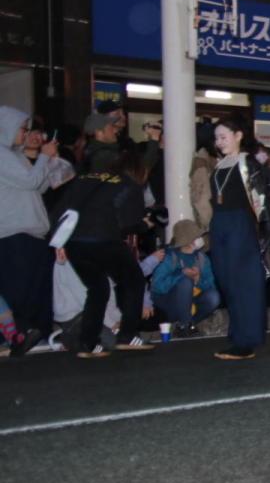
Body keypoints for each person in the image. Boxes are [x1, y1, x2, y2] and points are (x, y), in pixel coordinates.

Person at [51, 152, 157, 357]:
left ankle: (87, 344)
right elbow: (129, 222)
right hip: (104, 240)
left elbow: (59, 210)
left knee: (97, 289)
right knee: (134, 281)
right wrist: (146, 224)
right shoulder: (129, 183)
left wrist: (58, 242)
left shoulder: (85, 178)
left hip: (74, 242)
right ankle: (127, 336)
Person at [207, 115, 270, 360]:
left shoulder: (247, 162)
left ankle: (246, 340)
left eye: (224, 137)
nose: (219, 142)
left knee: (243, 283)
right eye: (217, 138)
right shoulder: (220, 164)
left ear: (238, 135)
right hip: (219, 224)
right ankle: (238, 334)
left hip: (239, 224)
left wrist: (266, 238)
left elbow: (263, 202)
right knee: (227, 281)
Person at [0, 107, 58, 356]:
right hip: (14, 233)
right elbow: (29, 181)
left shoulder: (12, 155)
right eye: (22, 128)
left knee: (33, 292)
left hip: (30, 233)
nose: (24, 134)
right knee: (19, 291)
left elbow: (37, 187)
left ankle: (25, 336)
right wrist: (44, 158)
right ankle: (12, 338)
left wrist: (49, 163)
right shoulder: (2, 155)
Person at [150, 219, 219, 338]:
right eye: (196, 237)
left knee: (214, 297)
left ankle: (187, 324)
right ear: (187, 241)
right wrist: (181, 274)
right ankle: (185, 325)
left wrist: (197, 279)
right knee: (186, 281)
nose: (200, 240)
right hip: (168, 303)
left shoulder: (202, 258)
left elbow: (211, 285)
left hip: (191, 302)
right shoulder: (169, 256)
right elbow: (157, 287)